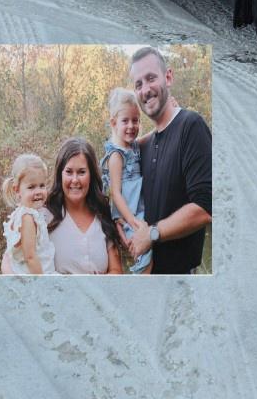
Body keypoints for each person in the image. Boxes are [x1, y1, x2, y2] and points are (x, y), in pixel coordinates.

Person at [126, 46, 212, 274]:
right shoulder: (146, 145)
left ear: (168, 77)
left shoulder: (191, 126)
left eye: (151, 78)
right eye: (138, 84)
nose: (145, 90)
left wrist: (152, 233)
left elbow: (205, 207)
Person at [44, 137, 123, 275]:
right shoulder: (44, 216)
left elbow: (116, 270)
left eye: (81, 172)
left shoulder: (103, 214)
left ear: (91, 175)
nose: (75, 180)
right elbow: (12, 261)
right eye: (69, 172)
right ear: (60, 174)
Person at [101, 88, 152, 274]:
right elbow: (115, 192)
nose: (131, 126)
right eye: (125, 121)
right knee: (144, 256)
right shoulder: (116, 155)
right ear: (114, 123)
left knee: (148, 251)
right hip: (129, 213)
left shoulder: (133, 146)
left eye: (135, 120)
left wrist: (166, 124)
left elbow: (147, 138)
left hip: (139, 211)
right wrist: (131, 220)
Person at [0, 153, 55, 275]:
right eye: (31, 187)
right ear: (17, 190)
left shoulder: (25, 213)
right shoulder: (27, 217)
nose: (38, 192)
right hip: (36, 276)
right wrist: (42, 282)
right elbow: (30, 256)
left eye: (42, 185)